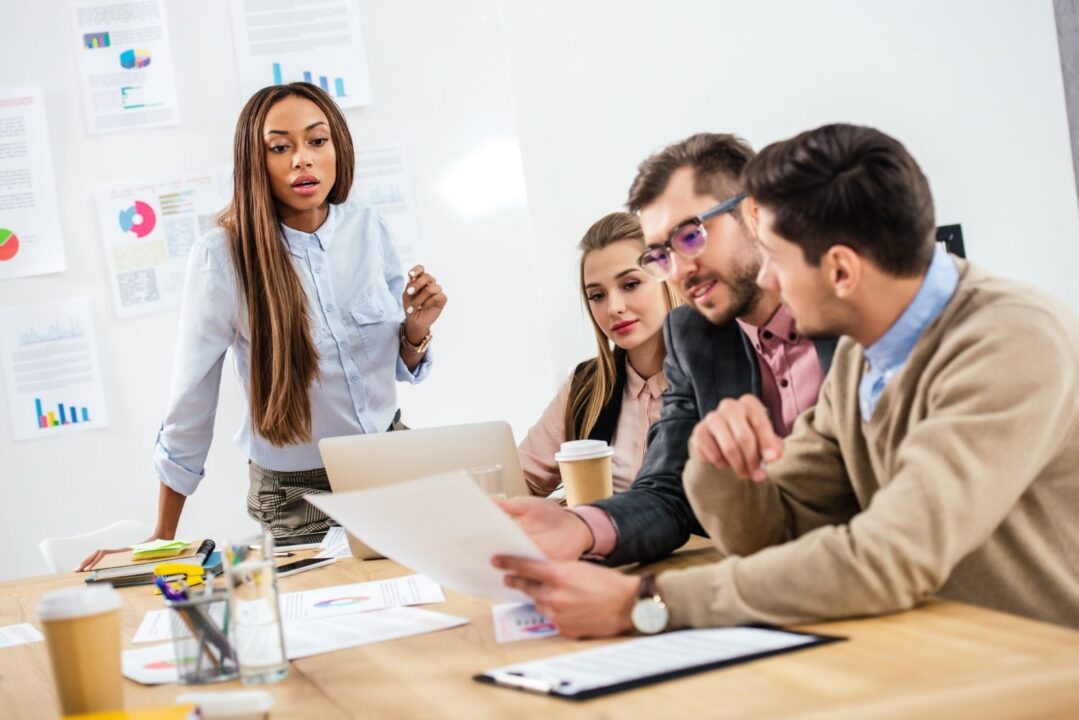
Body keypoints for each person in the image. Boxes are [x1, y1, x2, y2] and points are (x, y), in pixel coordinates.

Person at [494, 123, 1079, 636]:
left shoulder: (1010, 337)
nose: (772, 277)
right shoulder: (866, 356)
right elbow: (780, 519)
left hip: (1028, 658)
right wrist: (717, 461)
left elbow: (890, 552)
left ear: (841, 270)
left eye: (777, 254)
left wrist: (647, 602)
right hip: (910, 635)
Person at [78, 82, 446, 570]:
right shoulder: (222, 256)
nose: (302, 159)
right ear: (257, 162)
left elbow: (398, 363)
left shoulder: (368, 228)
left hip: (392, 461)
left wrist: (417, 330)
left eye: (317, 141)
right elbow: (192, 396)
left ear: (339, 147)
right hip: (299, 496)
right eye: (280, 147)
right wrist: (163, 533)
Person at [502, 134, 836, 567]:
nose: (678, 270)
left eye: (690, 236)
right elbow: (665, 493)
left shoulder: (849, 312)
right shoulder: (695, 336)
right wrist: (582, 528)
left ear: (754, 213)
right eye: (661, 255)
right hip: (765, 578)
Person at [518, 212, 679, 497]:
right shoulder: (585, 386)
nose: (613, 307)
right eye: (597, 295)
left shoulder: (716, 375)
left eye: (630, 284)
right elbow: (523, 481)